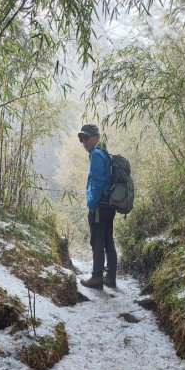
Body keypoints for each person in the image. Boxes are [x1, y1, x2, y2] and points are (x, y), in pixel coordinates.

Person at [78, 123, 117, 289]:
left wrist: (92, 204)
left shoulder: (96, 155)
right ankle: (110, 277)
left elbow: (97, 182)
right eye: (81, 138)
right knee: (108, 240)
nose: (83, 141)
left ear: (95, 137)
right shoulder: (104, 153)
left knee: (97, 241)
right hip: (109, 204)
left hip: (100, 205)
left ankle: (96, 278)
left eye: (85, 137)